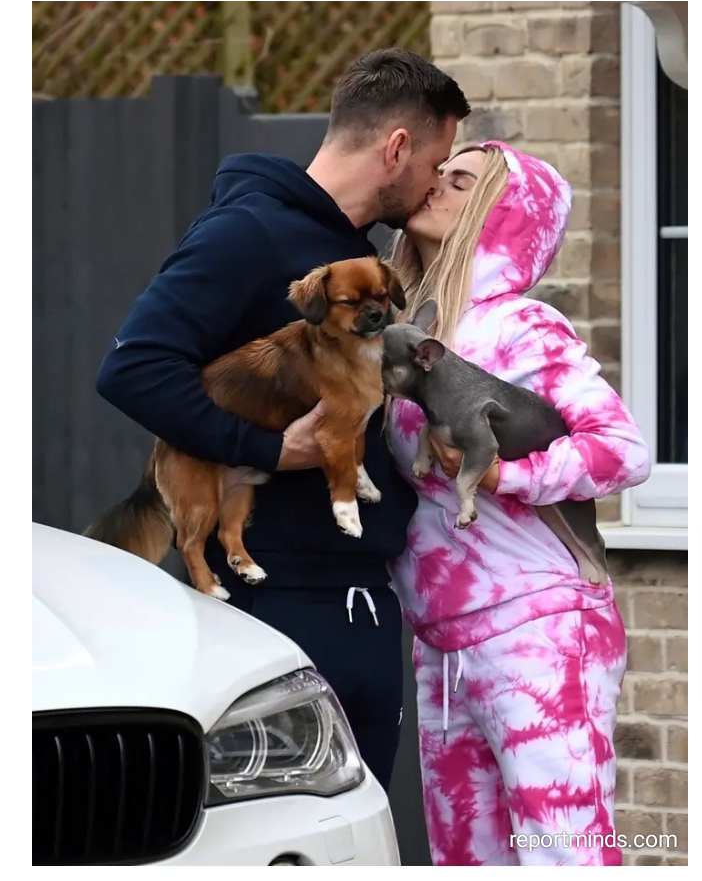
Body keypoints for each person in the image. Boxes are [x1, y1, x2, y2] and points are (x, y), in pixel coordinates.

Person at [94, 49, 470, 793]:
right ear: (396, 148)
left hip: (360, 604)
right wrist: (268, 449)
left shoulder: (355, 259)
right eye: (436, 163)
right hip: (277, 608)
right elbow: (132, 366)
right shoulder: (251, 233)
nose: (434, 182)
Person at [386, 141, 651, 864]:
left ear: (502, 214)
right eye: (439, 171)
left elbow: (622, 450)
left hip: (541, 631)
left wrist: (504, 475)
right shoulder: (415, 335)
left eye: (461, 181)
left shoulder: (521, 326)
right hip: (442, 647)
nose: (436, 184)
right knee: (466, 862)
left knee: (566, 857)